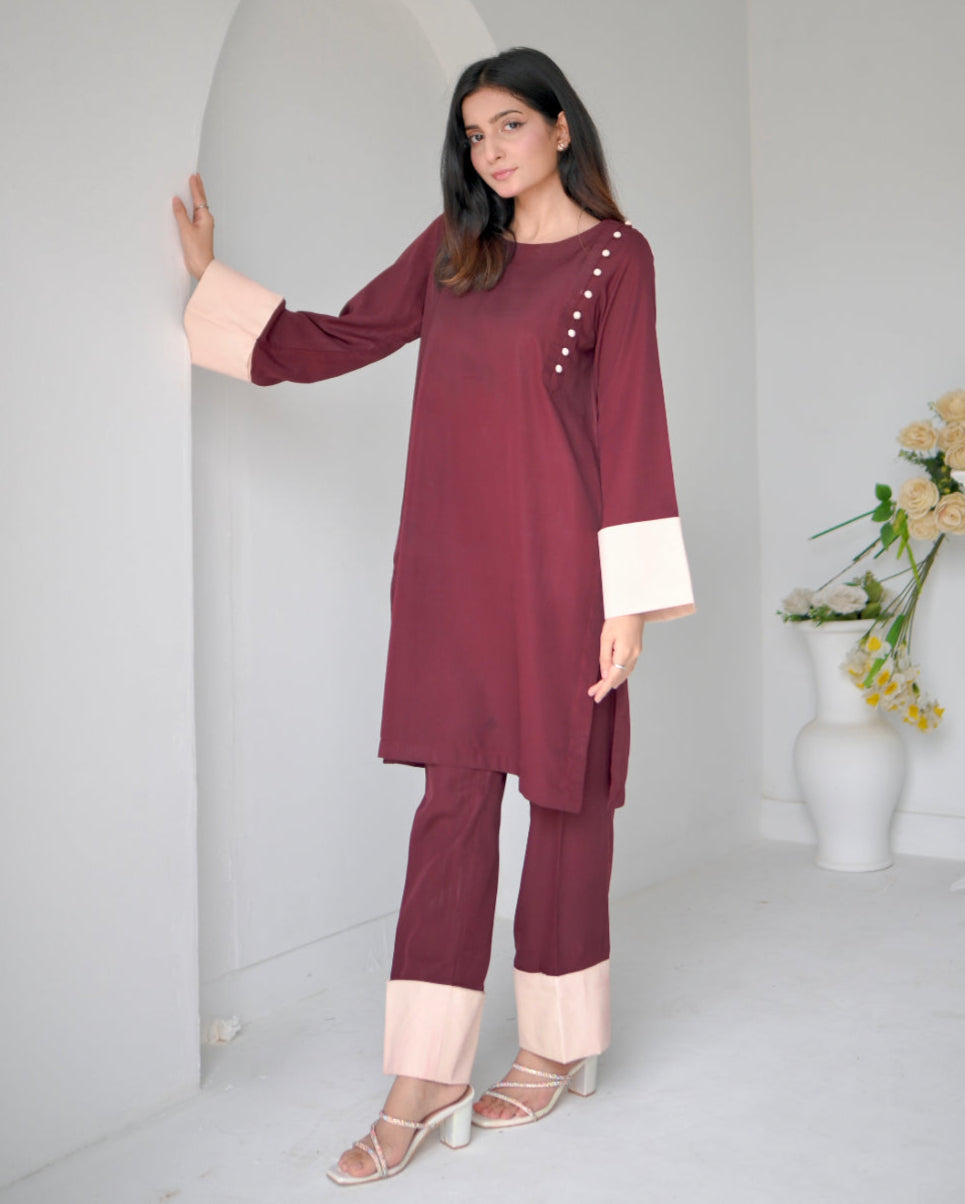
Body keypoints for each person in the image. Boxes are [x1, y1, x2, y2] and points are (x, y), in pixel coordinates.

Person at [174, 46, 694, 1186]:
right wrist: (215, 286)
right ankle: (424, 1078)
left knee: (565, 799)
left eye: (509, 125)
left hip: (563, 578)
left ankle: (557, 1042)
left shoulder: (617, 258)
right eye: (472, 134)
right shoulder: (456, 247)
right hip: (453, 578)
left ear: (560, 127)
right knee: (450, 811)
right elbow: (343, 336)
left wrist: (628, 604)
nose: (490, 150)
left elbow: (630, 424)